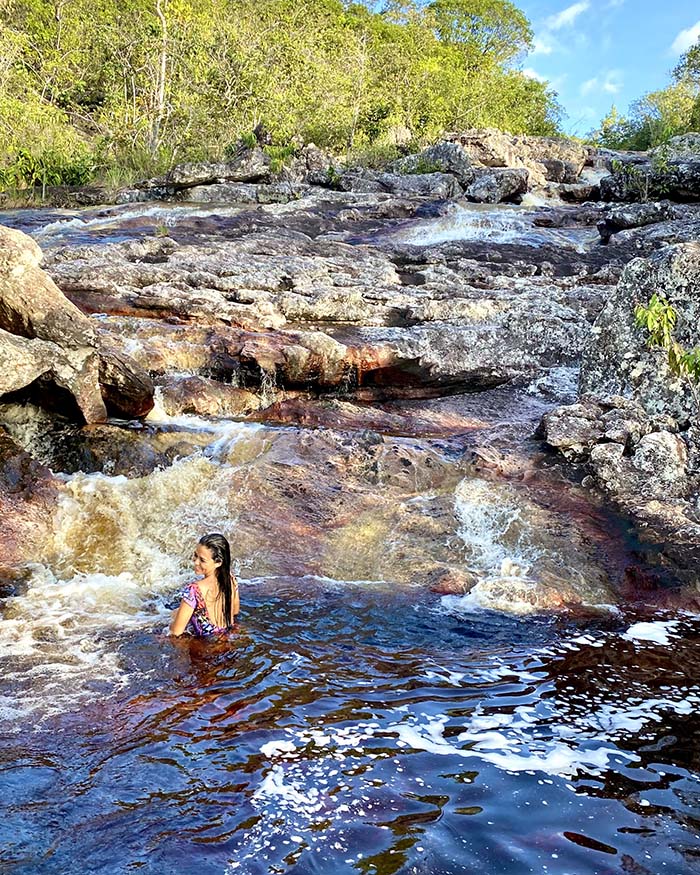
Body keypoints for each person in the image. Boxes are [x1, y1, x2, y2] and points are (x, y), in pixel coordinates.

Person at [170, 533, 239, 637]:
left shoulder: (194, 590)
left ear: (218, 562)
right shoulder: (231, 580)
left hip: (205, 647)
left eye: (202, 560)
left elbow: (175, 632)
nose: (196, 562)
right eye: (195, 555)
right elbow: (234, 612)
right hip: (226, 640)